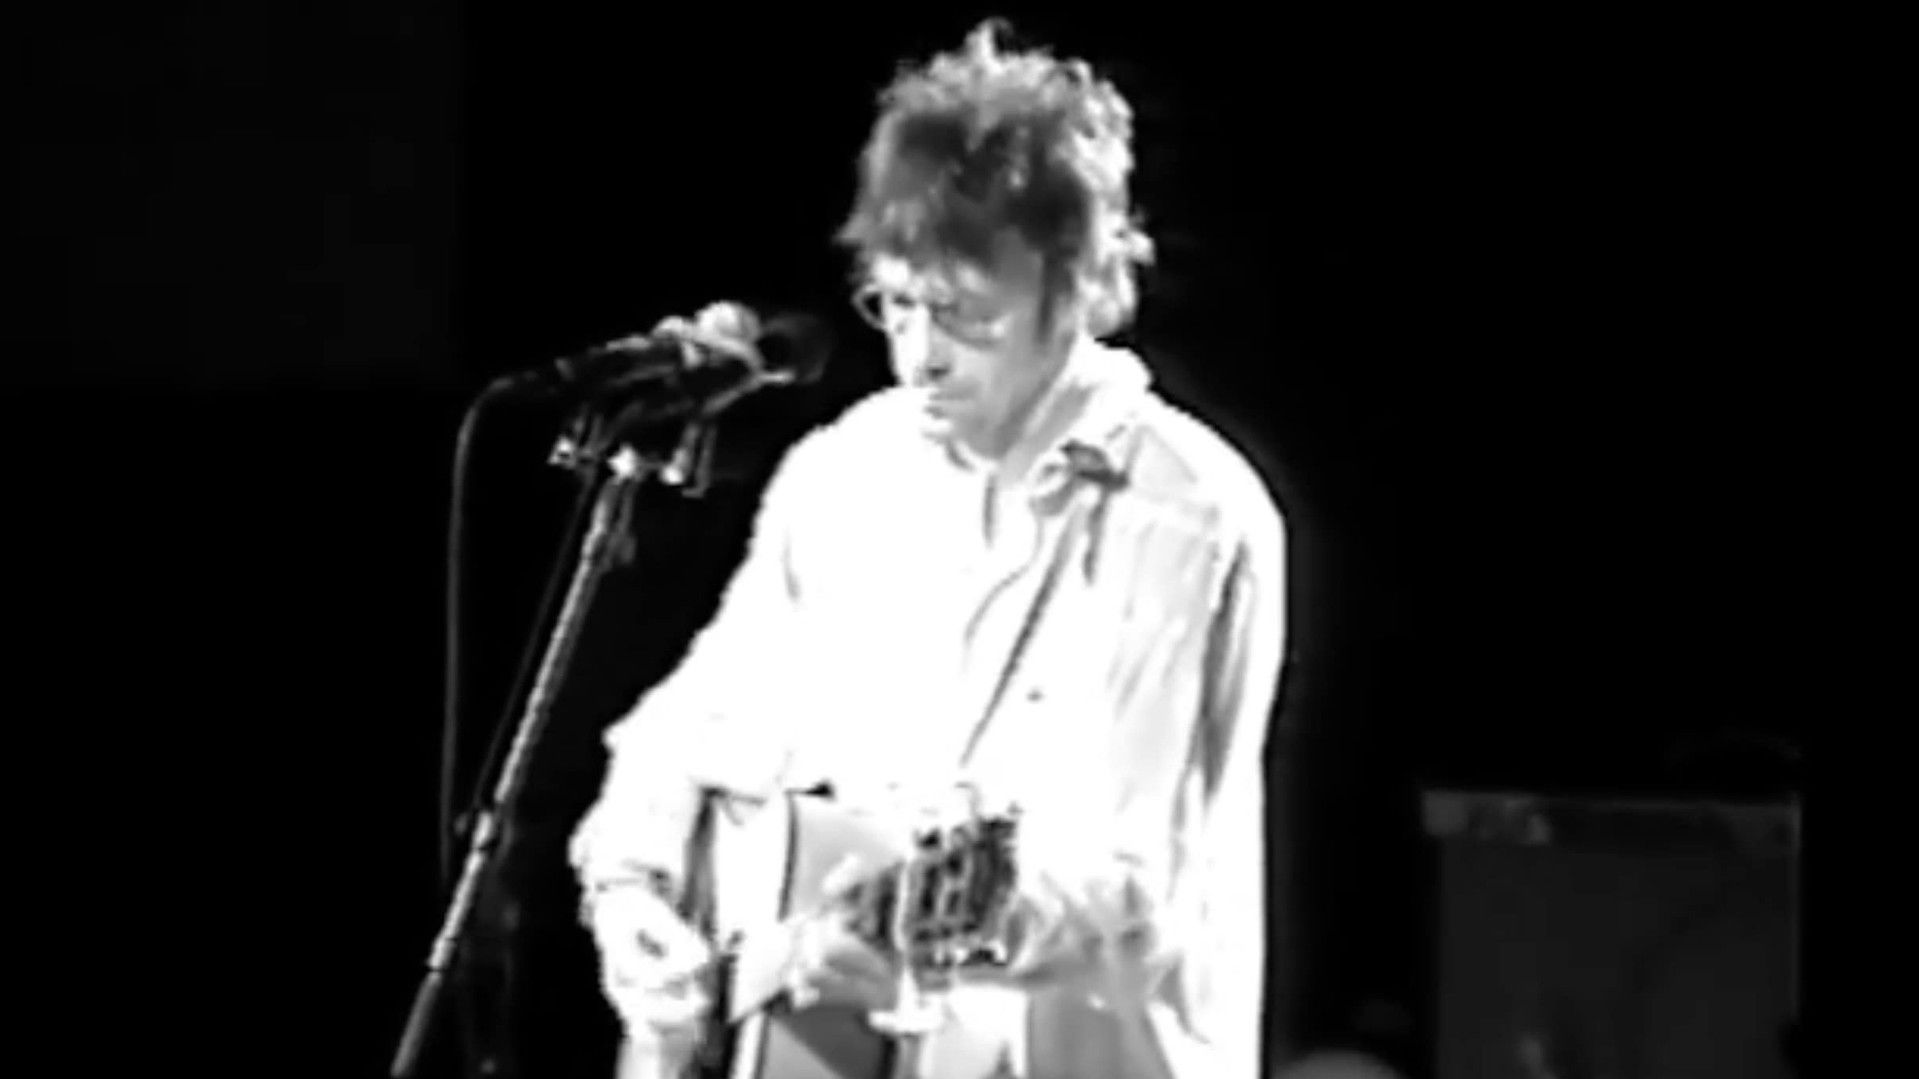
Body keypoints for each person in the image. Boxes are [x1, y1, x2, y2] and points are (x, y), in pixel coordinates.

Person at [567, 18, 1288, 1079]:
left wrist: (923, 917)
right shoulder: (845, 473)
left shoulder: (1184, 511)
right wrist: (631, 889)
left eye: (963, 315)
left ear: (1075, 283)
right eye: (895, 304)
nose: (917, 356)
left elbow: (1132, 881)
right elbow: (701, 723)